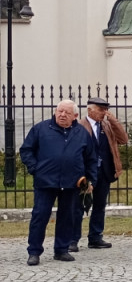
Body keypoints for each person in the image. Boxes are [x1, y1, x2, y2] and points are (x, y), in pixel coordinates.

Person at [20, 101, 97, 265]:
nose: (62, 115)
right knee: (40, 216)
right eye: (60, 111)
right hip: (45, 181)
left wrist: (90, 180)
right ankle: (34, 252)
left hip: (72, 182)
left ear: (75, 116)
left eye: (67, 113)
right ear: (55, 112)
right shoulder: (41, 129)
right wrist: (35, 169)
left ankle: (61, 250)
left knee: (67, 216)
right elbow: (26, 150)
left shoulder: (82, 133)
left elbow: (91, 158)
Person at [73, 96, 128, 250]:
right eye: (101, 109)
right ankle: (72, 240)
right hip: (86, 172)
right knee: (79, 205)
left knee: (99, 205)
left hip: (104, 171)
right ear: (90, 110)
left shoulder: (107, 125)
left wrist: (113, 121)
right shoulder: (80, 126)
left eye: (106, 109)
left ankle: (95, 237)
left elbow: (123, 139)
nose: (104, 112)